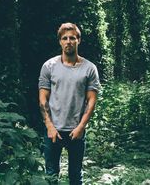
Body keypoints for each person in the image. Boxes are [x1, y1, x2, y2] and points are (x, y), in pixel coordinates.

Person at [38, 22, 100, 184]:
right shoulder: (49, 66)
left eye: (72, 38)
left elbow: (91, 101)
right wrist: (49, 126)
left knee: (76, 176)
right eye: (64, 38)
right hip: (53, 131)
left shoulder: (89, 68)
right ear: (60, 41)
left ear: (78, 40)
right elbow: (43, 99)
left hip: (76, 131)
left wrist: (81, 127)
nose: (68, 41)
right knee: (51, 176)